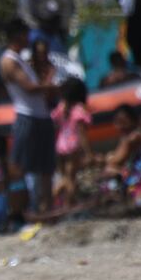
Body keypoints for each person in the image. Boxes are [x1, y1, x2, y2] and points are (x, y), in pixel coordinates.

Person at [0, 18, 59, 214]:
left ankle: (46, 208)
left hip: (41, 116)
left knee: (46, 167)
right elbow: (29, 88)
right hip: (27, 117)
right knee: (18, 166)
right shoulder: (9, 60)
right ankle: (19, 211)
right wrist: (55, 86)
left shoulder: (22, 60)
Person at [52, 78, 92, 207]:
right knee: (71, 177)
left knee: (64, 176)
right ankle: (67, 203)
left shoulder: (62, 107)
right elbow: (82, 133)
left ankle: (56, 200)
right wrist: (88, 153)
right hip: (72, 145)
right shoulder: (79, 109)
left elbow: (55, 125)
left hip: (60, 145)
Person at [102, 104, 141, 177]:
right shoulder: (127, 136)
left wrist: (105, 158)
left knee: (109, 169)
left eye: (122, 120)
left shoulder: (133, 137)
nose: (119, 124)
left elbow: (117, 160)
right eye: (117, 121)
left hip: (139, 170)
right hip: (134, 168)